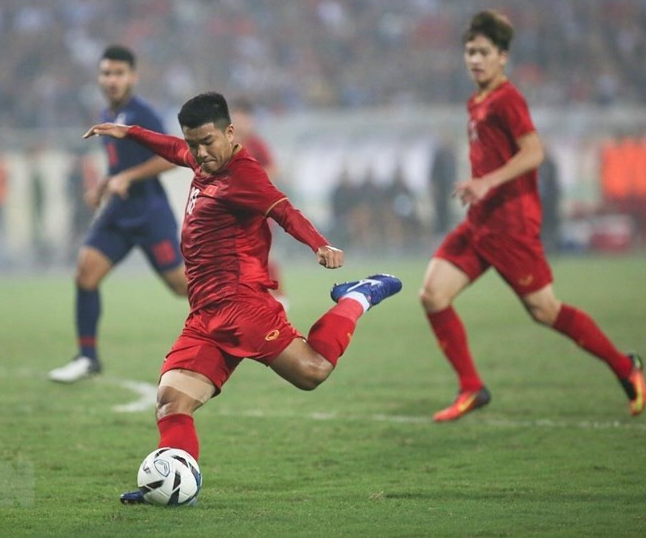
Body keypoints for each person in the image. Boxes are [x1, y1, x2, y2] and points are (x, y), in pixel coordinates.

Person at [83, 92, 402, 505]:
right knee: (171, 401)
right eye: (194, 143)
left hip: (241, 304)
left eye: (207, 142)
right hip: (205, 313)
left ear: (229, 133)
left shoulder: (243, 174)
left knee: (313, 372)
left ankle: (358, 296)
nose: (199, 153)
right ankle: (173, 486)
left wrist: (320, 245)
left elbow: (284, 211)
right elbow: (174, 148)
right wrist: (129, 132)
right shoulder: (201, 157)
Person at [419, 11, 646, 422]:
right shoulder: (476, 101)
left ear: (503, 57)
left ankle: (623, 366)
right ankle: (472, 387)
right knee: (433, 295)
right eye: (469, 52)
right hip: (480, 223)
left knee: (544, 310)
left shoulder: (508, 99)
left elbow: (534, 151)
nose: (474, 60)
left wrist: (487, 182)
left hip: (510, 225)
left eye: (484, 52)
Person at [49, 46, 187, 382]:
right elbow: (120, 164)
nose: (112, 80)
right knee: (85, 275)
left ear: (133, 76)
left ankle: (251, 309)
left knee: (184, 288)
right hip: (118, 213)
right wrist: (104, 185)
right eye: (106, 73)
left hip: (149, 214)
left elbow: (173, 155)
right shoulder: (108, 113)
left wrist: (128, 177)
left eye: (119, 73)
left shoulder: (143, 113)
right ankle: (87, 358)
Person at [229, 98, 286, 307]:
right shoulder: (225, 143)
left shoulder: (256, 144)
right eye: (236, 116)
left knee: (261, 256)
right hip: (231, 212)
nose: (240, 121)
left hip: (256, 211)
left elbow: (274, 169)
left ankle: (279, 298)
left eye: (244, 117)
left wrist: (253, 181)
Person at [429, 137, 457, 236]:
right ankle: (439, 232)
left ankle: (446, 230)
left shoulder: (451, 156)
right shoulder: (438, 156)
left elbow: (453, 172)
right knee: (439, 209)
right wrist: (434, 187)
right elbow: (433, 173)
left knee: (447, 209)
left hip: (447, 187)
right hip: (439, 188)